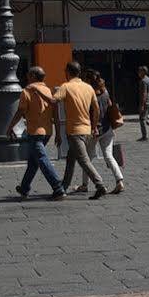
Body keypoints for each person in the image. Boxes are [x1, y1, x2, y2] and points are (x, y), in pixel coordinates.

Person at [54, 61, 107, 200]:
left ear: (68, 72)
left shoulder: (66, 86)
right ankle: (62, 188)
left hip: (74, 131)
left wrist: (38, 91)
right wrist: (93, 126)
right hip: (86, 129)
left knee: (84, 160)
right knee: (71, 159)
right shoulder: (88, 88)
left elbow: (54, 100)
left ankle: (100, 184)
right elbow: (96, 109)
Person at [14, 66, 65, 200]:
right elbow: (56, 115)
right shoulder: (48, 91)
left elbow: (20, 112)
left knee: (41, 159)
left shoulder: (27, 91)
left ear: (32, 76)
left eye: (28, 74)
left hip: (35, 132)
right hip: (47, 132)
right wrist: (58, 134)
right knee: (33, 161)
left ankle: (58, 188)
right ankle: (24, 187)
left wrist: (10, 127)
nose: (26, 76)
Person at [91, 73, 126, 194]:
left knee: (87, 159)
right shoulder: (106, 93)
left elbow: (94, 113)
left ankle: (84, 184)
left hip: (95, 130)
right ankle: (119, 180)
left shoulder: (91, 95)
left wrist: (94, 126)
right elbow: (110, 106)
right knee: (109, 156)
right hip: (108, 129)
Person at [136, 66, 149, 141]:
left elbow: (144, 94)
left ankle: (145, 136)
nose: (138, 73)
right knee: (145, 118)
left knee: (142, 119)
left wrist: (142, 105)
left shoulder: (143, 81)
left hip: (145, 102)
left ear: (143, 72)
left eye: (140, 71)